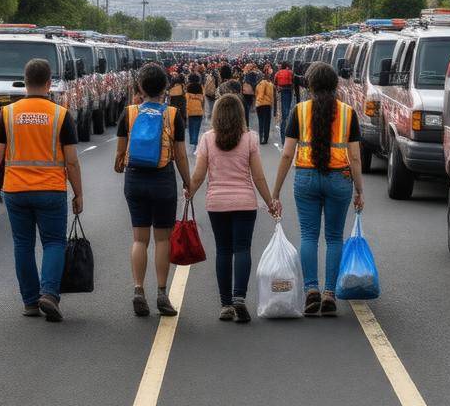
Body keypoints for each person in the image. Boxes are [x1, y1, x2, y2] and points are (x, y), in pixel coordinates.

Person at [0, 58, 84, 323]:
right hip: (51, 190)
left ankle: (29, 301)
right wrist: (78, 193)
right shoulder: (61, 115)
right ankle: (49, 293)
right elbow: (72, 161)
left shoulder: (8, 114)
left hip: (15, 190)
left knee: (23, 245)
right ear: (49, 83)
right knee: (53, 243)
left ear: (25, 82)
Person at [271, 61, 364, 318]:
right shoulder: (348, 113)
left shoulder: (299, 111)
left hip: (306, 177)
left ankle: (311, 289)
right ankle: (329, 294)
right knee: (334, 237)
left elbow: (287, 154)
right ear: (335, 85)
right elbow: (355, 157)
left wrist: (275, 192)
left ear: (309, 85)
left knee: (309, 235)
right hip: (339, 179)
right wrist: (359, 190)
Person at [190, 94, 281, 322]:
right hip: (244, 202)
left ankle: (225, 305)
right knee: (242, 249)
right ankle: (239, 297)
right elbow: (258, 177)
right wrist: (270, 202)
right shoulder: (249, 138)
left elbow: (198, 175)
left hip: (217, 203)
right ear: (240, 115)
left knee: (223, 251)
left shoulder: (207, 139)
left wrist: (188, 192)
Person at [116, 62, 193, 317]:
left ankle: (138, 290)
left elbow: (120, 154)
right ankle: (161, 292)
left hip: (135, 179)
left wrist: (120, 164)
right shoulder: (172, 114)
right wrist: (188, 182)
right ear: (165, 88)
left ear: (140, 87)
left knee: (139, 239)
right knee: (162, 239)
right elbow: (180, 155)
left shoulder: (129, 113)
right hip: (163, 180)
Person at [274, 62, 295, 140]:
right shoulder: (291, 72)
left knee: (283, 113)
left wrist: (278, 88)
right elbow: (293, 81)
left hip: (281, 92)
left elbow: (275, 83)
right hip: (289, 91)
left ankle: (283, 137)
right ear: (287, 67)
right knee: (289, 109)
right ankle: (288, 119)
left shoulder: (277, 73)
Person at [185, 76, 205, 151]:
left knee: (191, 127)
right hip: (199, 110)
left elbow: (186, 100)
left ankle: (192, 141)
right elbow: (203, 100)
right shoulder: (200, 87)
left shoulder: (188, 88)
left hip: (191, 110)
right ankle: (195, 142)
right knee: (197, 127)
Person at [254, 72, 275, 144]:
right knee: (267, 122)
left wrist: (257, 103)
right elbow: (272, 96)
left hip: (261, 105)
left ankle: (261, 138)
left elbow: (259, 94)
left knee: (261, 121)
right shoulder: (271, 85)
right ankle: (265, 138)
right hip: (268, 105)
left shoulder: (261, 84)